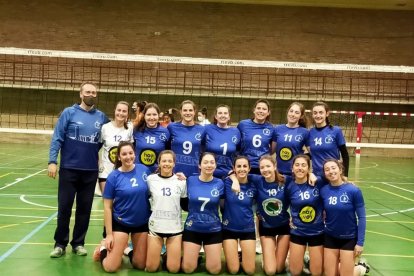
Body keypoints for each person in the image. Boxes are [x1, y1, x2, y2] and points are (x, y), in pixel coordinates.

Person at [47, 81, 108, 258]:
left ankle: (78, 243)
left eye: (94, 92)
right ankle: (60, 244)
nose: (91, 95)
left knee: (84, 209)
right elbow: (57, 138)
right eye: (88, 92)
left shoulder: (101, 117)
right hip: (69, 169)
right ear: (81, 94)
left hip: (90, 171)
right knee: (64, 208)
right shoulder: (69, 113)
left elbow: (111, 135)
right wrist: (52, 161)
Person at [94, 141, 151, 272]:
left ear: (134, 154)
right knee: (111, 267)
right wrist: (109, 235)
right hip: (121, 223)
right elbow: (107, 207)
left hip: (141, 223)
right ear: (119, 157)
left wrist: (177, 178)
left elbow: (159, 181)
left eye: (130, 153)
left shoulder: (144, 170)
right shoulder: (113, 177)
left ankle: (127, 250)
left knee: (140, 265)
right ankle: (103, 249)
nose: (128, 157)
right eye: (124, 154)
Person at [320, 159, 369, 276]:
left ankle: (361, 268)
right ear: (325, 174)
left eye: (333, 168)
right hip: (330, 237)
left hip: (349, 238)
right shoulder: (323, 191)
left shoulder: (353, 190)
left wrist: (360, 243)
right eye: (327, 169)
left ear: (340, 169)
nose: (331, 171)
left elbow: (362, 217)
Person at [181, 153, 224, 274]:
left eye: (212, 162)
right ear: (199, 165)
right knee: (188, 269)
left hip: (213, 230)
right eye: (205, 162)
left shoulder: (220, 183)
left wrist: (235, 179)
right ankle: (194, 258)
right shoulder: (190, 180)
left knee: (214, 270)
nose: (209, 165)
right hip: (193, 228)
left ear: (215, 165)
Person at [146, 150, 187, 273]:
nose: (167, 164)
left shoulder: (181, 181)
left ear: (174, 163)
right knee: (151, 268)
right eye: (164, 161)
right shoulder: (150, 180)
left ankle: (166, 256)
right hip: (156, 227)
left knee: (173, 269)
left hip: (174, 228)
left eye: (170, 161)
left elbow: (185, 205)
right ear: (159, 163)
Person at [285, 154, 324, 276]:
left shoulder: (318, 182)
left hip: (316, 232)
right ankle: (304, 259)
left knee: (316, 273)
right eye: (297, 165)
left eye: (303, 165)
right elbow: (283, 205)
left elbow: (336, 179)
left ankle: (361, 267)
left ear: (309, 168)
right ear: (292, 168)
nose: (300, 168)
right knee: (295, 272)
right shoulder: (289, 186)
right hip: (298, 232)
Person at [253, 155, 290, 275]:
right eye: (262, 167)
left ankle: (285, 258)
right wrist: (233, 178)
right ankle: (269, 259)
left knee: (279, 269)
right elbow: (237, 173)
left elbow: (303, 176)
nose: (265, 170)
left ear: (275, 166)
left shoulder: (285, 180)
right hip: (266, 227)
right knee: (270, 271)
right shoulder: (257, 180)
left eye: (268, 166)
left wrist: (311, 174)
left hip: (284, 226)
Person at [222, 156, 257, 275]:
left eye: (245, 166)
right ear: (234, 168)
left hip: (247, 229)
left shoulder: (254, 184)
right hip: (229, 229)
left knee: (250, 270)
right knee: (233, 270)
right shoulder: (227, 182)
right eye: (239, 166)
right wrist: (234, 180)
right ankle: (234, 257)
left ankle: (243, 255)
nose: (242, 169)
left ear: (249, 168)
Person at [98, 101, 133, 194]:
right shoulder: (105, 127)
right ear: (115, 111)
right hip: (106, 173)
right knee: (107, 203)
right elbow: (95, 148)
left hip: (124, 173)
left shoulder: (130, 128)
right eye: (119, 110)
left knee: (121, 203)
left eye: (124, 111)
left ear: (128, 114)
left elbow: (132, 149)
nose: (121, 113)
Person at [306, 101, 349, 178]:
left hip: (333, 175)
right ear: (312, 115)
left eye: (321, 112)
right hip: (317, 176)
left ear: (327, 113)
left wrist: (345, 175)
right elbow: (313, 154)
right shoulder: (310, 133)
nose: (318, 115)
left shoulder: (336, 131)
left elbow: (345, 154)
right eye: (315, 113)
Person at [168, 100, 205, 177]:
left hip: (195, 173)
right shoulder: (172, 127)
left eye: (190, 110)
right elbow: (166, 147)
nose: (188, 113)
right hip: (175, 173)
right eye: (185, 110)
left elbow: (204, 150)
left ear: (194, 112)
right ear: (180, 112)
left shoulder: (202, 129)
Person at [203, 104, 241, 179]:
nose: (222, 115)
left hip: (229, 174)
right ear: (216, 116)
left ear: (229, 116)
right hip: (210, 173)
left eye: (225, 113)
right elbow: (200, 147)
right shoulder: (207, 129)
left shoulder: (236, 131)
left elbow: (238, 151)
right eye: (220, 113)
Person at [237, 99, 274, 175]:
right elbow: (236, 144)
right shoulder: (243, 124)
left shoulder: (271, 128)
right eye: (258, 108)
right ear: (254, 110)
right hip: (245, 166)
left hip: (262, 167)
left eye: (264, 109)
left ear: (268, 113)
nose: (261, 111)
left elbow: (272, 149)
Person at [273, 102, 309, 176]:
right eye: (291, 111)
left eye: (296, 112)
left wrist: (301, 157)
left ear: (301, 116)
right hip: (279, 172)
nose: (293, 114)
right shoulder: (278, 129)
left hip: (296, 173)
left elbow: (313, 153)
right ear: (288, 112)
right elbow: (271, 151)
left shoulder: (304, 132)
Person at [133, 102, 170, 172]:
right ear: (144, 116)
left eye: (154, 114)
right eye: (148, 115)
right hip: (138, 172)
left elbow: (168, 152)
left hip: (157, 174)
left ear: (159, 116)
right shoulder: (136, 131)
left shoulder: (165, 132)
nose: (151, 118)